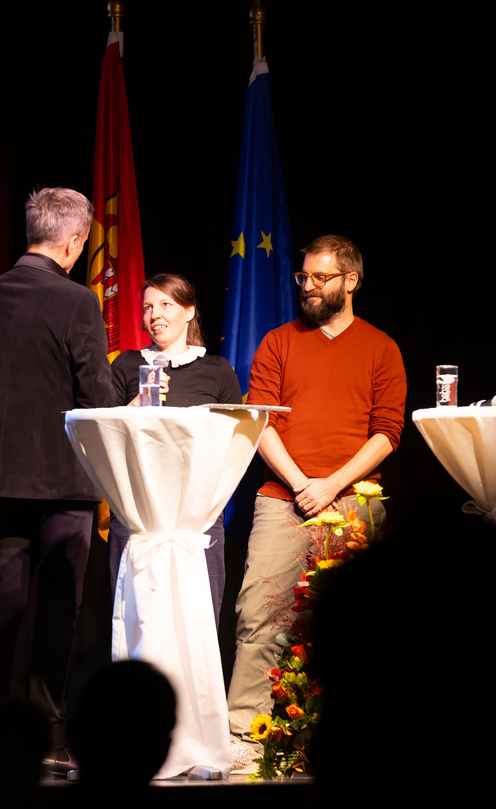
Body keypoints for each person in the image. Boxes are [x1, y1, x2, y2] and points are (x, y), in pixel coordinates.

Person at [227, 234, 407, 766]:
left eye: (321, 277)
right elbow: (258, 420)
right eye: (303, 277)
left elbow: (388, 432)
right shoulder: (278, 342)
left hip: (354, 500)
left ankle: (355, 740)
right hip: (282, 498)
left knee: (358, 623)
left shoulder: (381, 347)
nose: (308, 286)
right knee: (258, 615)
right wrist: (303, 482)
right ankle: (243, 737)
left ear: (351, 281)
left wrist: (331, 485)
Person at [0, 186, 113, 776]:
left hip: (7, 477)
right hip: (67, 480)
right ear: (73, 243)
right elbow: (96, 394)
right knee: (56, 610)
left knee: (4, 602)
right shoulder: (78, 302)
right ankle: (48, 735)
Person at [109, 273, 242, 625]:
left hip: (197, 513)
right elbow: (103, 434)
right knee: (136, 620)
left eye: (166, 304)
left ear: (189, 311)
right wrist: (134, 407)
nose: (155, 314)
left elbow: (237, 440)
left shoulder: (216, 371)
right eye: (148, 307)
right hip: (137, 511)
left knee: (196, 620)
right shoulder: (125, 365)